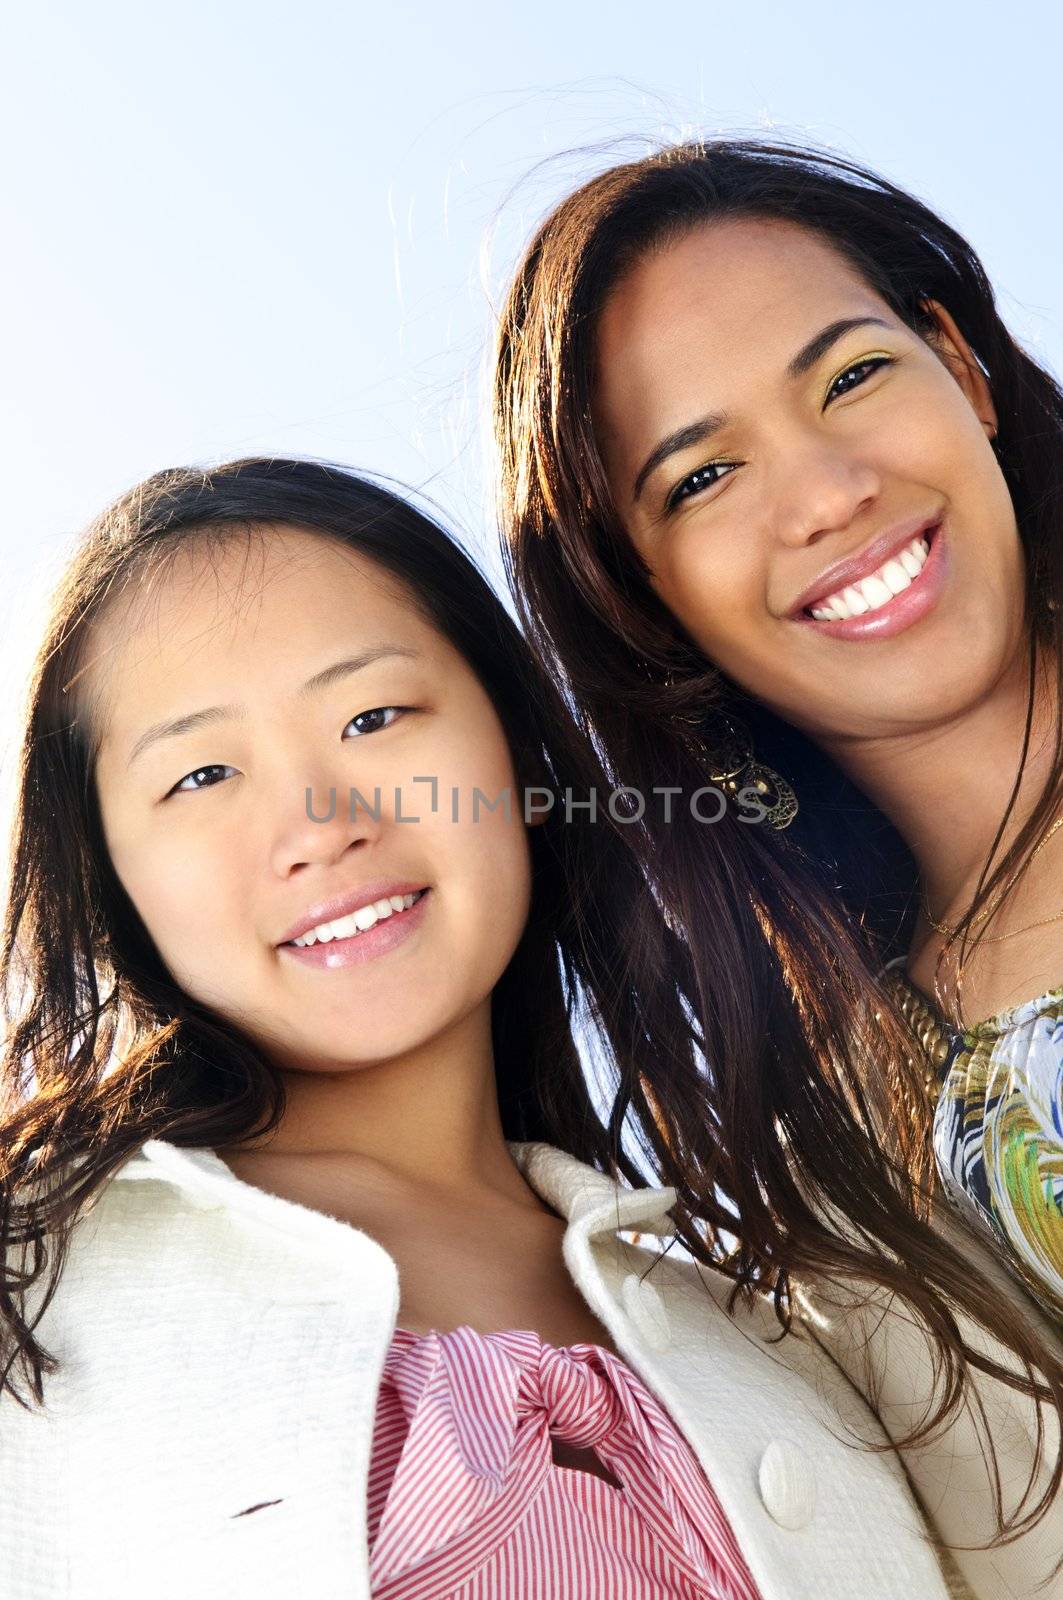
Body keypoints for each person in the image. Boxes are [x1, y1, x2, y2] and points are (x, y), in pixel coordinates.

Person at [5, 455, 1035, 1599]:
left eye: (375, 714)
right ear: (105, 868)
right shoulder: (35, 1289)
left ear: (516, 754)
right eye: (200, 774)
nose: (319, 824)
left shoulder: (800, 1331)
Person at [492, 133, 1063, 1559]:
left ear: (961, 365)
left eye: (852, 375)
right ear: (638, 592)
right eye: (698, 478)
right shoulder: (812, 1172)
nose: (822, 495)